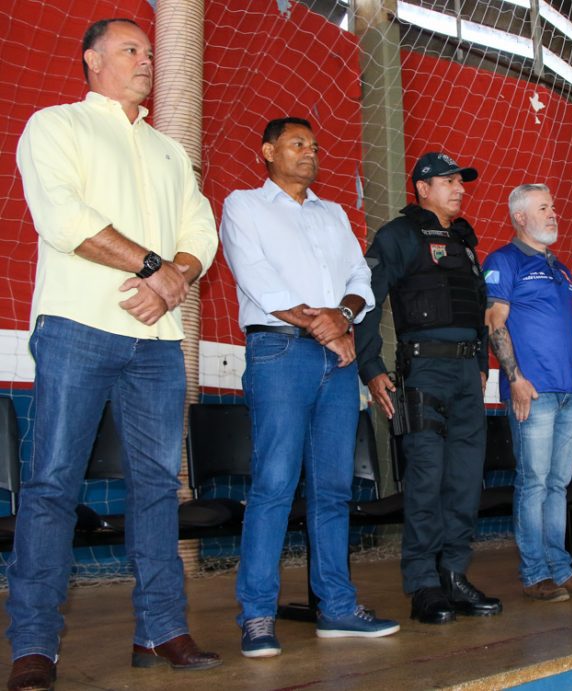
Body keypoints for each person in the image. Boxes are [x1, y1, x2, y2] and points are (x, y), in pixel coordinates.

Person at [8, 18, 221, 690]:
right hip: (76, 325)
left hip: (157, 341)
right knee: (51, 486)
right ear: (92, 60)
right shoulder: (56, 125)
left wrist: (174, 278)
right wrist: (159, 266)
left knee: (158, 486)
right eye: (131, 49)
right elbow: (63, 219)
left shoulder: (167, 150)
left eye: (151, 52)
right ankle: (33, 645)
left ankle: (160, 629)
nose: (146, 60)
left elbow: (202, 231)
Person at [220, 117, 399, 652]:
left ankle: (337, 608)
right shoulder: (243, 205)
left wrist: (342, 317)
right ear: (267, 150)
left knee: (334, 489)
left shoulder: (334, 213)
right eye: (298, 144)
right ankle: (256, 618)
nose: (310, 152)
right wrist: (322, 325)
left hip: (336, 356)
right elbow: (256, 277)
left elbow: (359, 281)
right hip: (279, 351)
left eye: (315, 146)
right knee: (274, 485)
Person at [354, 152, 502, 624]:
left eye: (461, 180)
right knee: (425, 480)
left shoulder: (465, 242)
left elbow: (476, 310)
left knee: (463, 480)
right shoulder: (398, 236)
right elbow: (367, 299)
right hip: (424, 374)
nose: (459, 188)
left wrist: (481, 365)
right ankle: (422, 583)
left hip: (465, 378)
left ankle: (454, 574)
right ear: (421, 188)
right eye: (447, 181)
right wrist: (371, 364)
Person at [482, 184, 572, 602]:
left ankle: (561, 567)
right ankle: (535, 573)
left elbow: (568, 328)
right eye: (543, 208)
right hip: (531, 391)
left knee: (558, 483)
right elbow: (495, 321)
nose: (553, 214)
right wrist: (514, 378)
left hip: (569, 390)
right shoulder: (503, 260)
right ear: (520, 217)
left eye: (553, 207)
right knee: (533, 483)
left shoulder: (562, 268)